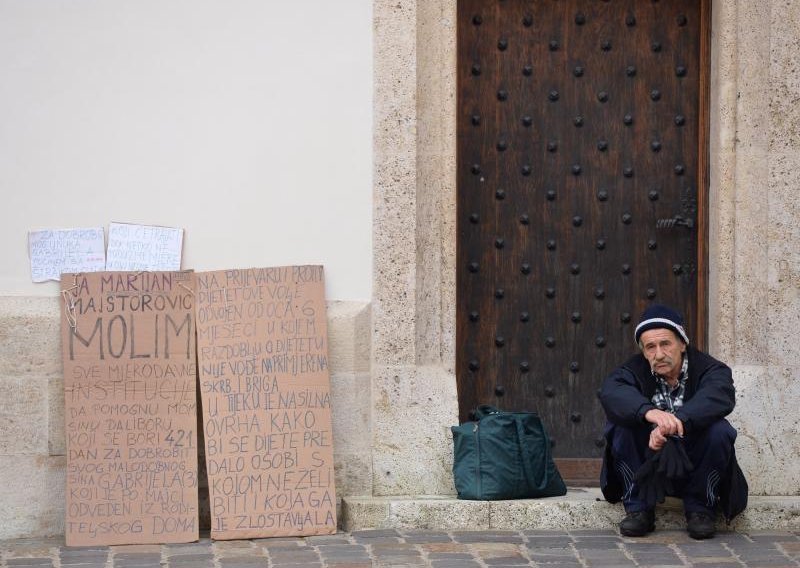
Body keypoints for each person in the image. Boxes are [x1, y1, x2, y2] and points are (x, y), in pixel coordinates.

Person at [598, 305, 748, 539]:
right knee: (620, 427)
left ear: (682, 343)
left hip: (694, 464)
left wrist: (676, 421)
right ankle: (638, 509)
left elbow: (718, 394)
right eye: (650, 347)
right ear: (644, 352)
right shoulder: (632, 370)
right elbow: (611, 392)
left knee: (720, 431)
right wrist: (650, 413)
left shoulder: (711, 369)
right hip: (649, 466)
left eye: (665, 344)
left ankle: (701, 509)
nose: (658, 354)